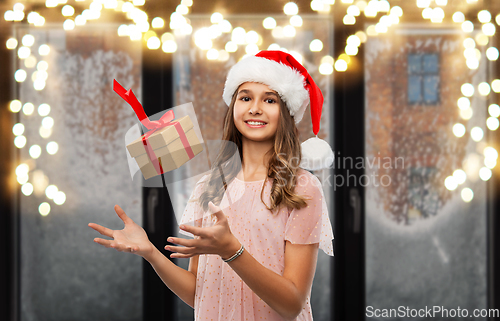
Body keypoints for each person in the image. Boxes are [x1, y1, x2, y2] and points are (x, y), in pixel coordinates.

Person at [88, 50, 334, 321]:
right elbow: (200, 294)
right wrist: (150, 253)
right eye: (245, 97)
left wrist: (232, 251)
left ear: (286, 112)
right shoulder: (209, 186)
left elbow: (291, 304)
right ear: (233, 107)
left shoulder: (301, 188)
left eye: (270, 100)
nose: (255, 108)